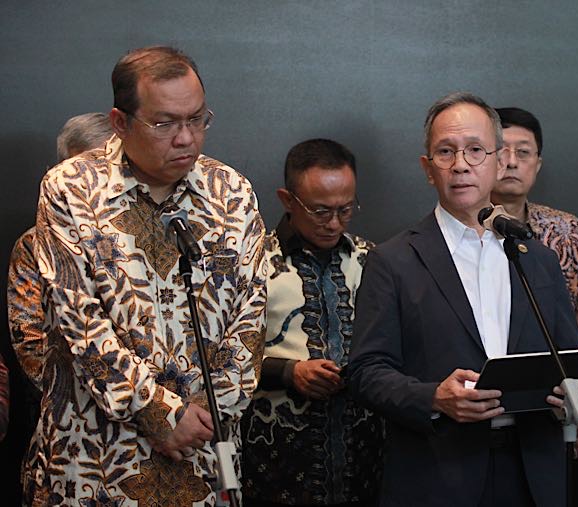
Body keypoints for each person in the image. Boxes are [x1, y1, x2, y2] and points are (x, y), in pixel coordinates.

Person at [25, 46, 267, 506]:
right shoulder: (70, 188)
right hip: (99, 452)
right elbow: (80, 319)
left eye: (197, 119)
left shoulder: (232, 192)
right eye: (164, 124)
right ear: (120, 123)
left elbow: (251, 317)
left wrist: (200, 416)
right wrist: (158, 414)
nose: (186, 138)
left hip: (204, 446)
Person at [348, 92, 578, 507]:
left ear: (499, 162)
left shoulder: (537, 259)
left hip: (534, 472)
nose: (461, 164)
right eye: (446, 152)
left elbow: (568, 358)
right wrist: (433, 397)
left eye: (476, 150)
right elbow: (365, 372)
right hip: (440, 472)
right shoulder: (393, 261)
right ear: (428, 168)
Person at [241, 138, 383, 506]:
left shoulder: (373, 260)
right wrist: (289, 372)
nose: (334, 223)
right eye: (320, 211)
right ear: (287, 200)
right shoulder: (251, 265)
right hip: (276, 458)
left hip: (363, 455)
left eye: (345, 209)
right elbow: (217, 359)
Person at [489, 107, 578, 347]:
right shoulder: (462, 231)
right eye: (501, 151)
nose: (512, 162)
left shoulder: (571, 231)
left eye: (523, 152)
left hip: (560, 368)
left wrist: (566, 368)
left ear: (537, 164)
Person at [8, 112, 114, 396]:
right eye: (81, 173)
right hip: (72, 402)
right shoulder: (32, 246)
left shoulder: (149, 236)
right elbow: (29, 340)